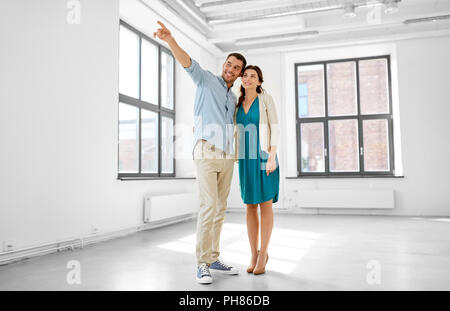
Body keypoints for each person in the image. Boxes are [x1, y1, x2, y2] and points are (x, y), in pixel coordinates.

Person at [153, 21, 247, 284]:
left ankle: (214, 257)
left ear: (240, 74)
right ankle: (201, 264)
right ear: (224, 66)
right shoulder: (206, 79)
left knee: (220, 208)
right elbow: (187, 62)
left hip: (228, 156)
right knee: (208, 206)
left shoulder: (232, 97)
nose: (231, 69)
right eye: (229, 64)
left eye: (236, 68)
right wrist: (170, 40)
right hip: (206, 150)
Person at [234, 65, 279, 275]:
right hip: (245, 159)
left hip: (263, 156)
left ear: (259, 81)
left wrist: (272, 155)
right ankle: (253, 253)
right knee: (250, 205)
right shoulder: (237, 103)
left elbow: (274, 127)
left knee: (265, 204)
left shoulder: (266, 100)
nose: (248, 78)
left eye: (253, 76)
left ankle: (264, 253)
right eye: (245, 75)